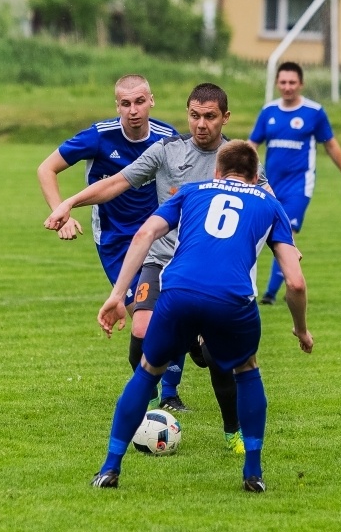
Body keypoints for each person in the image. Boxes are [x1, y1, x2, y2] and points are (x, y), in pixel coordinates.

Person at [45, 83, 269, 452]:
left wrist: (287, 244)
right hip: (163, 260)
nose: (201, 124)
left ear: (225, 118)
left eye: (210, 117)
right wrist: (69, 202)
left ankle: (233, 432)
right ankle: (151, 414)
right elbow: (116, 182)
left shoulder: (235, 161)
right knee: (142, 326)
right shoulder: (167, 150)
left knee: (219, 359)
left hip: (209, 270)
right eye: (194, 115)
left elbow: (268, 200)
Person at [88, 140, 313, 490]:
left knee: (148, 371)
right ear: (256, 177)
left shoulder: (192, 191)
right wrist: (301, 329)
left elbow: (146, 233)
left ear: (218, 171)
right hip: (232, 300)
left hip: (178, 292)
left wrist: (118, 295)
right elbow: (295, 283)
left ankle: (109, 468)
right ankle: (252, 473)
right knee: (247, 369)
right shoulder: (269, 203)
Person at [37, 75, 190, 410]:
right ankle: (151, 384)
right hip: (115, 240)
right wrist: (62, 211)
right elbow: (46, 168)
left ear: (152, 100)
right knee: (145, 316)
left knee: (170, 311)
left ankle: (170, 393)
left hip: (158, 236)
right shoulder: (100, 136)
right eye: (125, 103)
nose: (133, 110)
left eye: (139, 102)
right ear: (116, 105)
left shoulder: (168, 139)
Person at [248, 61, 341, 304]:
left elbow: (330, 145)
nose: (287, 87)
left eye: (292, 82)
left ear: (301, 84)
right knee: (258, 234)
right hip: (269, 186)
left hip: (299, 186)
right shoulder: (268, 112)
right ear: (277, 83)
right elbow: (251, 146)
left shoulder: (314, 112)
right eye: (283, 82)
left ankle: (270, 294)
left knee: (286, 233)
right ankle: (269, 286)